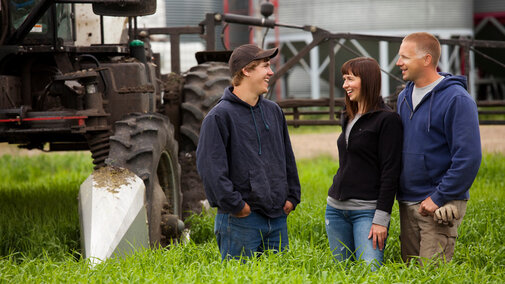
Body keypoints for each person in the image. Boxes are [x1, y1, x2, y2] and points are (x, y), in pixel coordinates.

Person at [196, 44, 301, 261]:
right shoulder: (219, 117)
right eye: (265, 66)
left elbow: (287, 158)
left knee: (280, 277)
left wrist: (292, 197)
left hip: (278, 217)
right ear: (246, 70)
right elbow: (211, 169)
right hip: (241, 220)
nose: (271, 72)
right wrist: (237, 206)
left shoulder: (273, 111)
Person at [395, 32, 482, 264]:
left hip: (438, 204)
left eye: (404, 57)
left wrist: (440, 196)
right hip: (407, 201)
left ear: (426, 60)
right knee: (410, 272)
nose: (398, 63)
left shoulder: (457, 99)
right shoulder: (403, 97)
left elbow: (468, 157)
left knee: (431, 274)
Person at [325, 57, 403, 270]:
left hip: (367, 212)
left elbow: (391, 172)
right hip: (335, 209)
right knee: (341, 273)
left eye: (350, 79)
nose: (345, 85)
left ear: (367, 80)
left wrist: (381, 219)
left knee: (370, 272)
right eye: (344, 79)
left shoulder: (388, 120)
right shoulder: (347, 115)